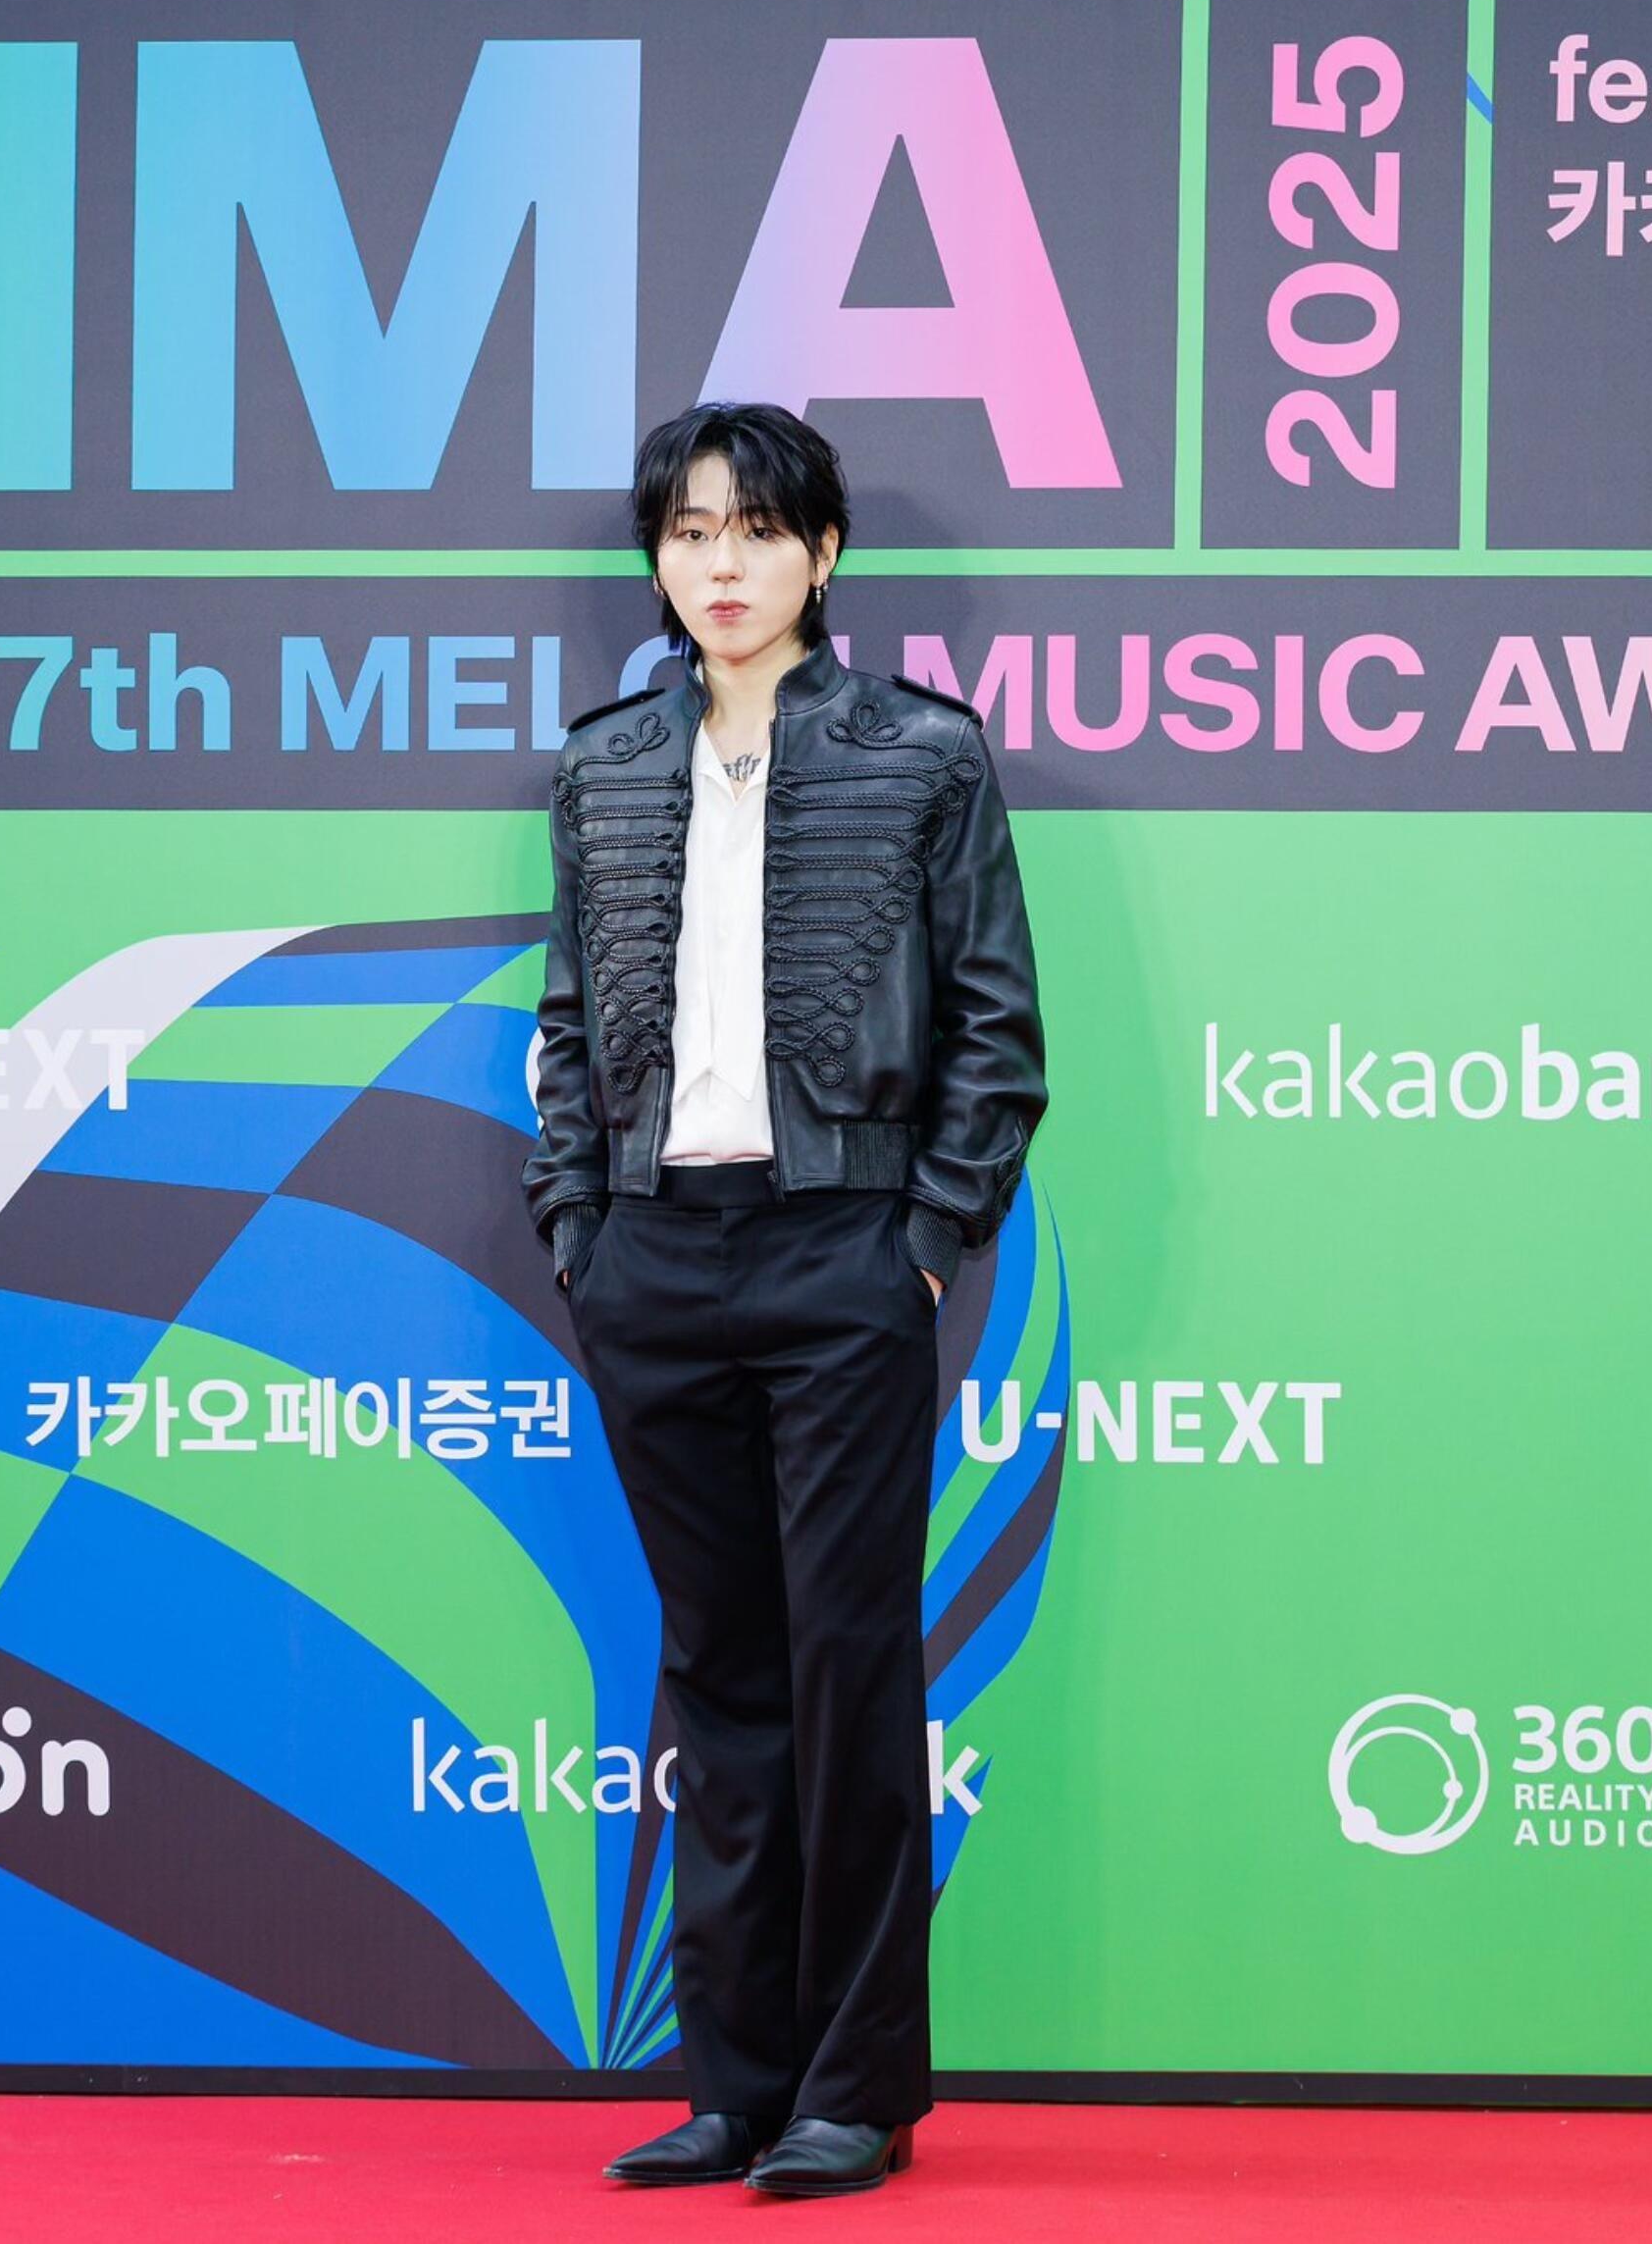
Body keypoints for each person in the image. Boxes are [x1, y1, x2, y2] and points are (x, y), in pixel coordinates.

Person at [530, 404, 1047, 2200]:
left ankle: (858, 2087)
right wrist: (579, 1222)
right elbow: (568, 1022)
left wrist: (926, 1235)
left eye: (754, 529)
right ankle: (735, 2083)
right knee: (715, 1674)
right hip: (652, 1258)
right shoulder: (602, 766)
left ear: (821, 554)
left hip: (844, 1252)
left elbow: (995, 1029)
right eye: (688, 532)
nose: (720, 564)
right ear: (657, 560)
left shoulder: (922, 754)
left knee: (845, 1666)